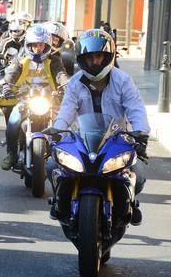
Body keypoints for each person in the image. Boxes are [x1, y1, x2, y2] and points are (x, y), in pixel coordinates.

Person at [48, 29, 149, 224]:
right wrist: (56, 131)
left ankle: (130, 204)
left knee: (140, 176)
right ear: (81, 59)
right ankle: (59, 204)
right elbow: (67, 110)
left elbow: (136, 108)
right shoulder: (75, 83)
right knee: (52, 165)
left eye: (99, 56)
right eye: (89, 57)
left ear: (108, 56)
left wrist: (141, 133)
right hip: (83, 139)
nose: (95, 62)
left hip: (116, 140)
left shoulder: (123, 80)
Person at [0, 24, 69, 170]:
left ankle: (63, 156)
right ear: (28, 45)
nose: (38, 48)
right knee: (12, 123)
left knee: (63, 126)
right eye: (35, 45)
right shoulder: (22, 59)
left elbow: (60, 74)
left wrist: (67, 84)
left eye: (42, 45)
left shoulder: (54, 60)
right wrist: (7, 85)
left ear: (47, 45)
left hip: (49, 100)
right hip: (25, 100)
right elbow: (11, 73)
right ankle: (11, 154)